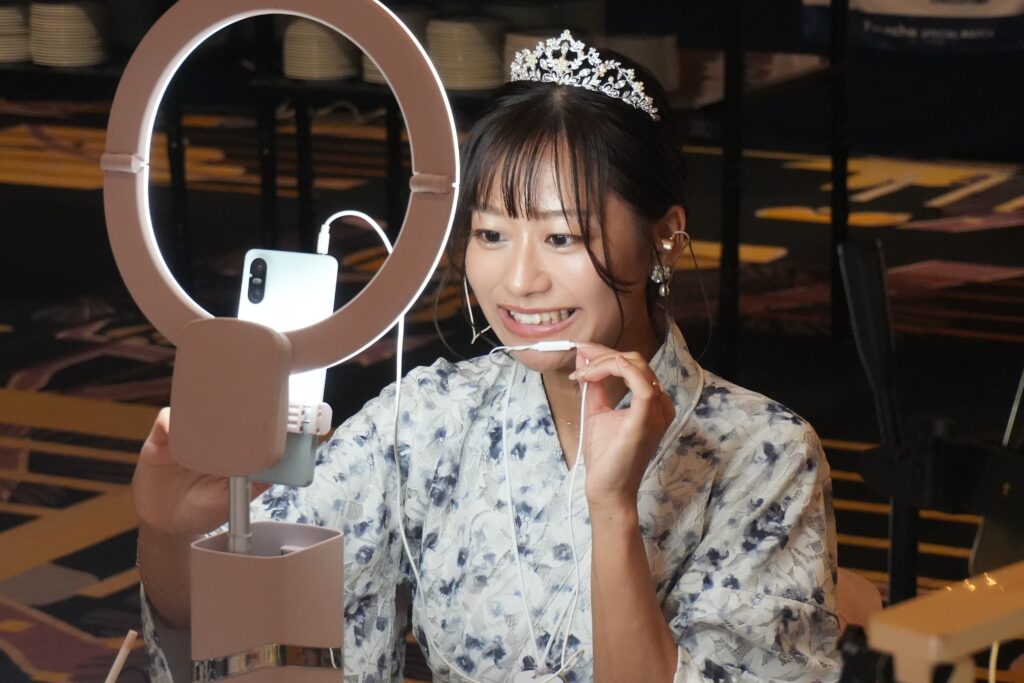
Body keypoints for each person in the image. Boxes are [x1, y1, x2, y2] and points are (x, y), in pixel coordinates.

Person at [134, 31, 841, 683]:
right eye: (491, 234)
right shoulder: (432, 418)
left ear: (664, 236)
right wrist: (170, 530)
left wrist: (613, 511)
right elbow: (238, 612)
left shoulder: (766, 453)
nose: (519, 281)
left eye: (562, 238)